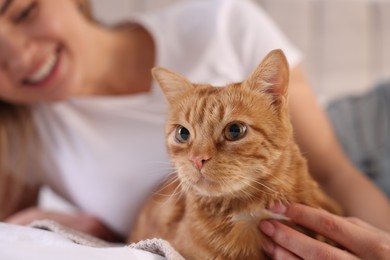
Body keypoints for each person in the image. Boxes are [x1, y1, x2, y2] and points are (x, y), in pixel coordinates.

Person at [0, 0, 389, 255]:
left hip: (353, 146)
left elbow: (334, 172)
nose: (19, 56)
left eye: (22, 11)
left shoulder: (222, 20)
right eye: (183, 135)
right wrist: (51, 226)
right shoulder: (19, 134)